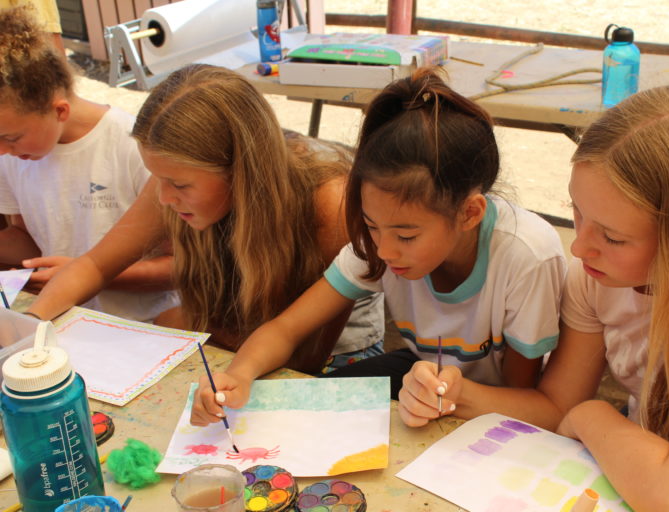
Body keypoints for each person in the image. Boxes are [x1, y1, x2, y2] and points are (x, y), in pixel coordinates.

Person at [424, 85, 669, 511]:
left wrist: (594, 415)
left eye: (613, 237)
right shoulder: (599, 279)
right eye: (578, 212)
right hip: (635, 473)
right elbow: (555, 407)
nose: (579, 247)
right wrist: (451, 393)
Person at [190, 68, 566, 426]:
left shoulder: (526, 256)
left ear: (469, 213)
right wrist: (239, 374)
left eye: (406, 236)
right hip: (422, 377)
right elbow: (287, 328)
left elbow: (524, 398)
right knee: (314, 410)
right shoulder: (381, 243)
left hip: (493, 399)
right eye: (371, 226)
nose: (384, 251)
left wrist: (454, 394)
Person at [27, 63, 384, 372]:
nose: (164, 198)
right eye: (159, 179)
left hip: (331, 355)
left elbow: (305, 356)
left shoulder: (329, 203)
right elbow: (94, 266)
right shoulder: (175, 178)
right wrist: (26, 329)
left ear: (240, 170)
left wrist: (211, 347)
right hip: (237, 337)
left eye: (179, 184)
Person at [0, 6, 177, 321]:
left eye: (11, 138)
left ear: (60, 111)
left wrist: (79, 274)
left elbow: (180, 265)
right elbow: (27, 242)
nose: (2, 151)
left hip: (146, 325)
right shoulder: (14, 157)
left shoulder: (132, 146)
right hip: (68, 321)